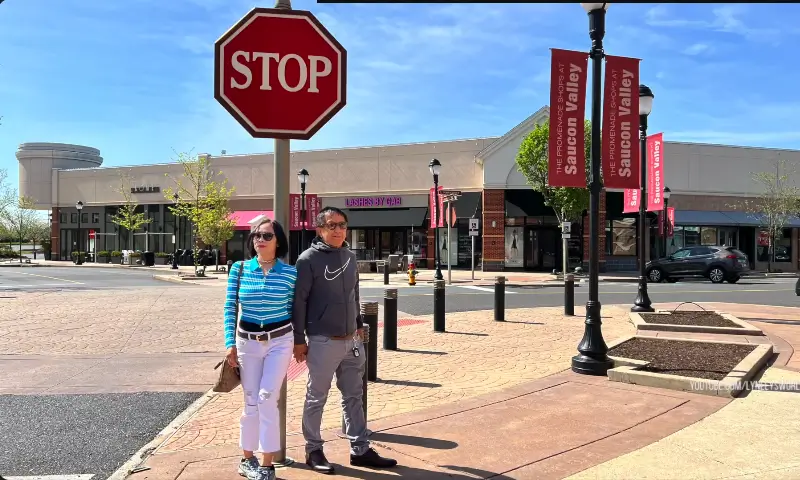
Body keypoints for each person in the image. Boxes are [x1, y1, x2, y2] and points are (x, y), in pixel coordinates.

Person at [293, 206, 397, 474]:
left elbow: (355, 294)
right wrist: (299, 340)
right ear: (320, 229)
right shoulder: (307, 260)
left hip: (352, 340)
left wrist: (360, 327)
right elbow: (299, 302)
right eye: (331, 225)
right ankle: (313, 449)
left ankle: (360, 449)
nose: (338, 230)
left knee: (354, 395)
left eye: (342, 225)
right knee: (316, 397)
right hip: (322, 340)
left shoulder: (350, 257)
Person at [224, 218, 296, 480]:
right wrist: (229, 343)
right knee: (251, 401)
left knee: (267, 398)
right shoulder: (240, 269)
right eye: (256, 236)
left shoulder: (290, 273)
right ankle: (247, 458)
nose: (259, 240)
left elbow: (293, 311)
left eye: (266, 236)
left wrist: (299, 342)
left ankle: (268, 463)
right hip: (247, 343)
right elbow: (230, 307)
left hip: (279, 341)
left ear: (278, 241)